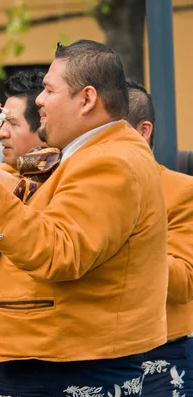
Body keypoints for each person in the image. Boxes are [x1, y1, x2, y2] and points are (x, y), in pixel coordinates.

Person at [0, 40, 168, 396]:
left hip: (65, 367)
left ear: (87, 99)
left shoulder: (111, 161)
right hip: (42, 359)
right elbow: (16, 189)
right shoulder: (81, 153)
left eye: (49, 90)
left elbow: (60, 252)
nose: (39, 100)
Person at [125, 80, 193, 395]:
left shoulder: (181, 190)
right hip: (95, 353)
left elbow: (183, 282)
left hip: (163, 353)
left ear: (143, 131)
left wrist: (126, 240)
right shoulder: (77, 190)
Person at [0, 70, 47, 175]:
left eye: (12, 123)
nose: (1, 133)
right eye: (3, 122)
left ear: (43, 127)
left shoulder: (61, 179)